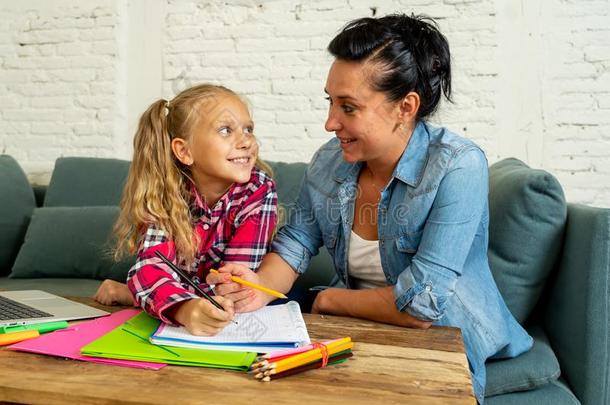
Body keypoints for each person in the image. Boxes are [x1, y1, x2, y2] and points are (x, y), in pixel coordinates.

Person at [208, 14, 532, 403]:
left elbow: (421, 307)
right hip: (353, 335)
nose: (330, 122)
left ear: (406, 107)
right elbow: (295, 243)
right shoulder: (329, 162)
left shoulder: (457, 166)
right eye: (330, 102)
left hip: (440, 340)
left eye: (349, 107)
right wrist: (257, 288)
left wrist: (326, 300)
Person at [94, 84, 278, 336]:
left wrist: (144, 292)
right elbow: (149, 269)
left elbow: (234, 287)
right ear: (184, 151)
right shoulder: (165, 193)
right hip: (184, 295)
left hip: (210, 297)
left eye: (248, 129)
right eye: (226, 130)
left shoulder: (259, 191)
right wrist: (184, 308)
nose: (246, 141)